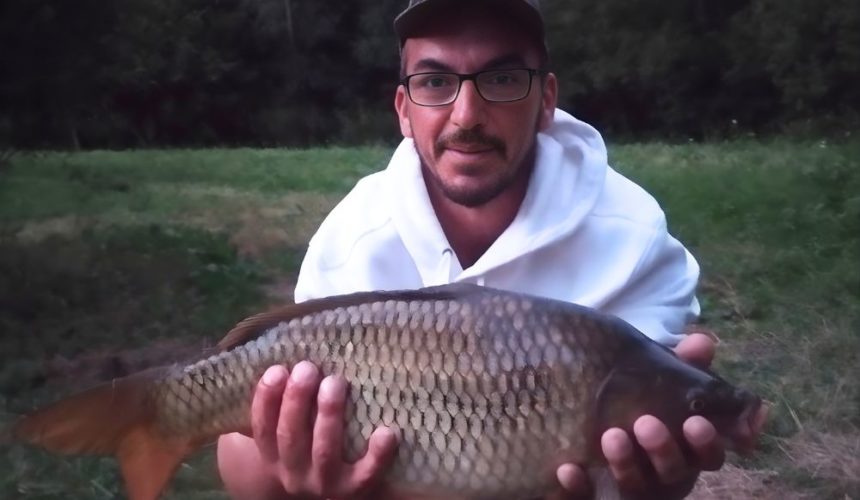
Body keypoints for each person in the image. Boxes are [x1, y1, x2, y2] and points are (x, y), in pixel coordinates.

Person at [217, 0, 737, 498]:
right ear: (403, 109)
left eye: (502, 80)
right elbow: (243, 469)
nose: (467, 115)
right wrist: (288, 475)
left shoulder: (634, 239)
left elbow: (655, 452)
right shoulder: (351, 240)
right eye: (436, 82)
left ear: (546, 100)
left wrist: (653, 485)